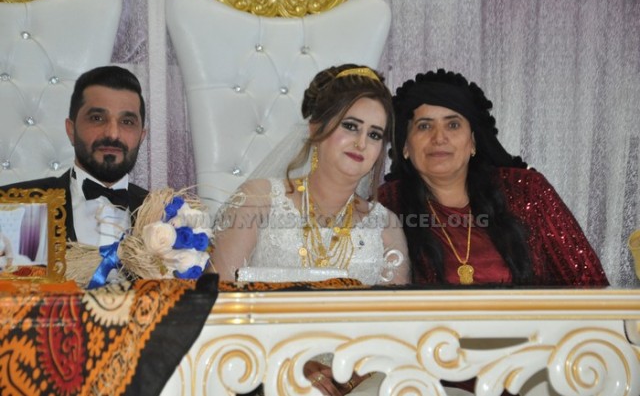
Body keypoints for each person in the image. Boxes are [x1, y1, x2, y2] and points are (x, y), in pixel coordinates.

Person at [212, 64, 410, 395]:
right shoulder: (260, 200)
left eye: (375, 134)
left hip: (359, 384)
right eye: (350, 126)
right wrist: (294, 367)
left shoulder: (385, 226)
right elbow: (218, 307)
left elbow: (395, 331)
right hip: (262, 375)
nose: (361, 143)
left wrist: (349, 376)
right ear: (316, 127)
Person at [378, 68, 609, 287]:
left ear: (473, 142)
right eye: (424, 126)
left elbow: (591, 286)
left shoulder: (527, 190)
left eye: (453, 125)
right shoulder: (386, 205)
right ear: (404, 145)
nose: (439, 138)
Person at [0, 66, 148, 247]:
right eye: (97, 118)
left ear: (141, 136)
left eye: (127, 122)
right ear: (71, 130)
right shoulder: (14, 207)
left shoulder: (167, 215)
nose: (112, 134)